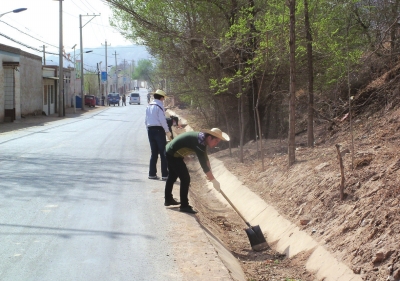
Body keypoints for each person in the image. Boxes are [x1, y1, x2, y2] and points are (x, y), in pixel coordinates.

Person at [164, 128, 229, 213]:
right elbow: (204, 166)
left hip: (171, 151)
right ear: (210, 138)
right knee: (185, 178)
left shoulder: (202, 140)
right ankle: (184, 205)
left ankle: (168, 199)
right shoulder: (199, 143)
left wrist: (211, 176)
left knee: (172, 176)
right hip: (172, 154)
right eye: (216, 141)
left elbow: (206, 160)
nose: (216, 144)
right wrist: (214, 181)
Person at [145, 89, 172, 181]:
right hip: (158, 130)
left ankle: (152, 174)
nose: (163, 100)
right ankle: (165, 175)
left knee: (154, 153)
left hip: (150, 130)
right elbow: (163, 121)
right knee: (163, 153)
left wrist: (149, 129)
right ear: (161, 97)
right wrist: (167, 132)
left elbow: (146, 120)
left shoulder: (149, 106)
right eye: (163, 98)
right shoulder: (159, 106)